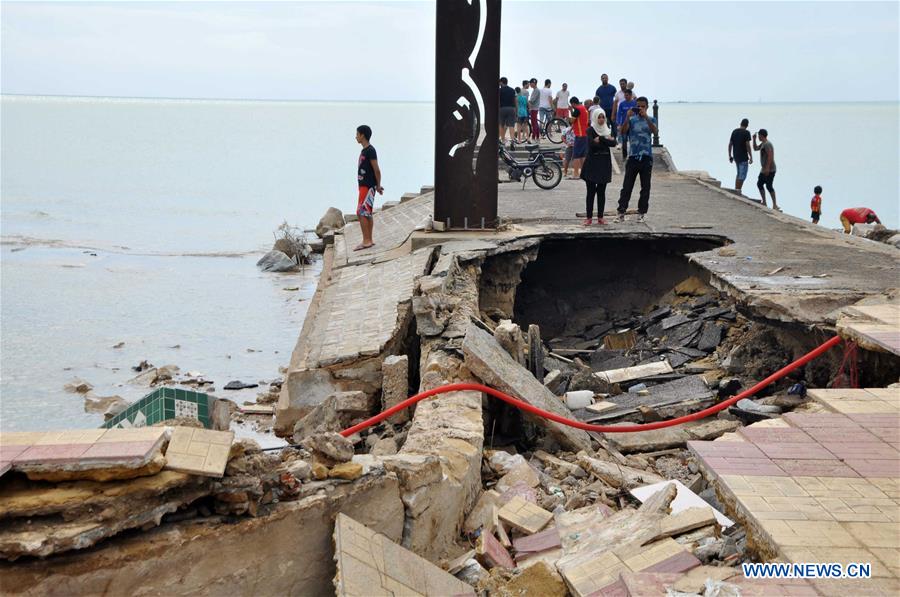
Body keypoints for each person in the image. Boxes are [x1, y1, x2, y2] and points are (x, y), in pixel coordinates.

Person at [616, 96, 657, 223]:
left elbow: (654, 132)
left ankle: (642, 212)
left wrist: (645, 117)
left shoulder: (651, 119)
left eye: (643, 106)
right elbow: (623, 131)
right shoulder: (632, 120)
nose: (640, 108)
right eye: (638, 106)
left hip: (646, 157)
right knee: (627, 186)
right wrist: (627, 117)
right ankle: (621, 211)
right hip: (633, 157)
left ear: (647, 107)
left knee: (645, 187)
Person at [581, 109, 617, 225]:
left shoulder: (607, 130)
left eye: (603, 117)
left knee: (602, 192)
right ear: (595, 118)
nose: (601, 119)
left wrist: (601, 139)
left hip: (604, 163)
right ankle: (589, 217)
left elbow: (614, 143)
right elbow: (592, 145)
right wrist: (606, 140)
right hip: (592, 163)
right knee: (590, 192)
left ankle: (600, 217)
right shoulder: (590, 130)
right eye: (599, 117)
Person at [354, 125, 382, 250]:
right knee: (367, 212)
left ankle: (366, 241)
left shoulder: (370, 150)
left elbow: (377, 170)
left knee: (361, 212)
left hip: (368, 186)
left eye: (357, 134)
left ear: (362, 135)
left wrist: (378, 185)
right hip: (364, 186)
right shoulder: (364, 151)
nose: (355, 137)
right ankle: (369, 239)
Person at [752, 129, 780, 211]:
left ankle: (775, 205)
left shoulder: (768, 144)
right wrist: (753, 140)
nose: (758, 137)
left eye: (758, 136)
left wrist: (767, 168)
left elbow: (770, 156)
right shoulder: (763, 144)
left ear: (761, 135)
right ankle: (764, 201)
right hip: (764, 169)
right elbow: (755, 148)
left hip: (770, 169)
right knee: (759, 184)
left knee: (769, 186)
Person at [728, 118, 753, 191]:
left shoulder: (734, 131)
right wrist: (751, 156)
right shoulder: (746, 132)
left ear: (740, 123)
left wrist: (730, 155)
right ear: (747, 125)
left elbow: (730, 144)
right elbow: (748, 145)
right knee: (742, 176)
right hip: (743, 157)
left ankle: (736, 190)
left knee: (739, 174)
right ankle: (738, 190)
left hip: (736, 156)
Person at [568, 96, 589, 178]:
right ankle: (584, 173)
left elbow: (572, 120)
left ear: (573, 103)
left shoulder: (577, 109)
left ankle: (576, 174)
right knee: (583, 155)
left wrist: (570, 111)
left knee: (576, 155)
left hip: (579, 135)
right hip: (585, 134)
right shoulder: (584, 108)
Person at [615, 88, 637, 160]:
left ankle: (633, 155)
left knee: (632, 140)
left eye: (627, 95)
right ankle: (624, 156)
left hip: (633, 125)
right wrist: (618, 124)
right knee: (624, 140)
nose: (625, 96)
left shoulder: (634, 103)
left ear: (630, 95)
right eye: (625, 95)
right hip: (624, 125)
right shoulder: (622, 104)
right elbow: (619, 114)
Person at [498, 77, 517, 145]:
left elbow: (498, 100)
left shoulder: (499, 90)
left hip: (502, 108)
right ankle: (512, 140)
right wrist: (516, 110)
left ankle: (502, 140)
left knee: (501, 125)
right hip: (511, 109)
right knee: (511, 126)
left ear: (501, 82)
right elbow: (515, 101)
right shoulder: (512, 90)